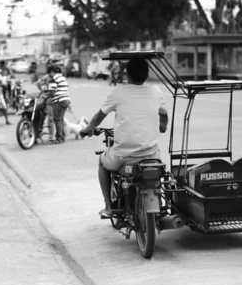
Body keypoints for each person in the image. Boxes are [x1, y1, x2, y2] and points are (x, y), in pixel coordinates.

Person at [80, 59, 168, 218]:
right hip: (151, 155)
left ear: (127, 75)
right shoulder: (156, 91)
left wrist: (87, 129)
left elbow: (98, 117)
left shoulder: (118, 92)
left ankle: (108, 207)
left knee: (102, 161)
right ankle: (158, 206)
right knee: (156, 172)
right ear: (147, 75)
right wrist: (163, 126)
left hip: (123, 155)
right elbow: (164, 114)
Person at [48, 65, 70, 144]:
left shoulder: (54, 79)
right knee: (60, 119)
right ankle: (62, 137)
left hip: (59, 101)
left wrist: (47, 95)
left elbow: (52, 92)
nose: (49, 75)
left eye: (49, 73)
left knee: (57, 120)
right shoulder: (63, 78)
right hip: (66, 100)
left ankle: (59, 138)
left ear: (51, 72)